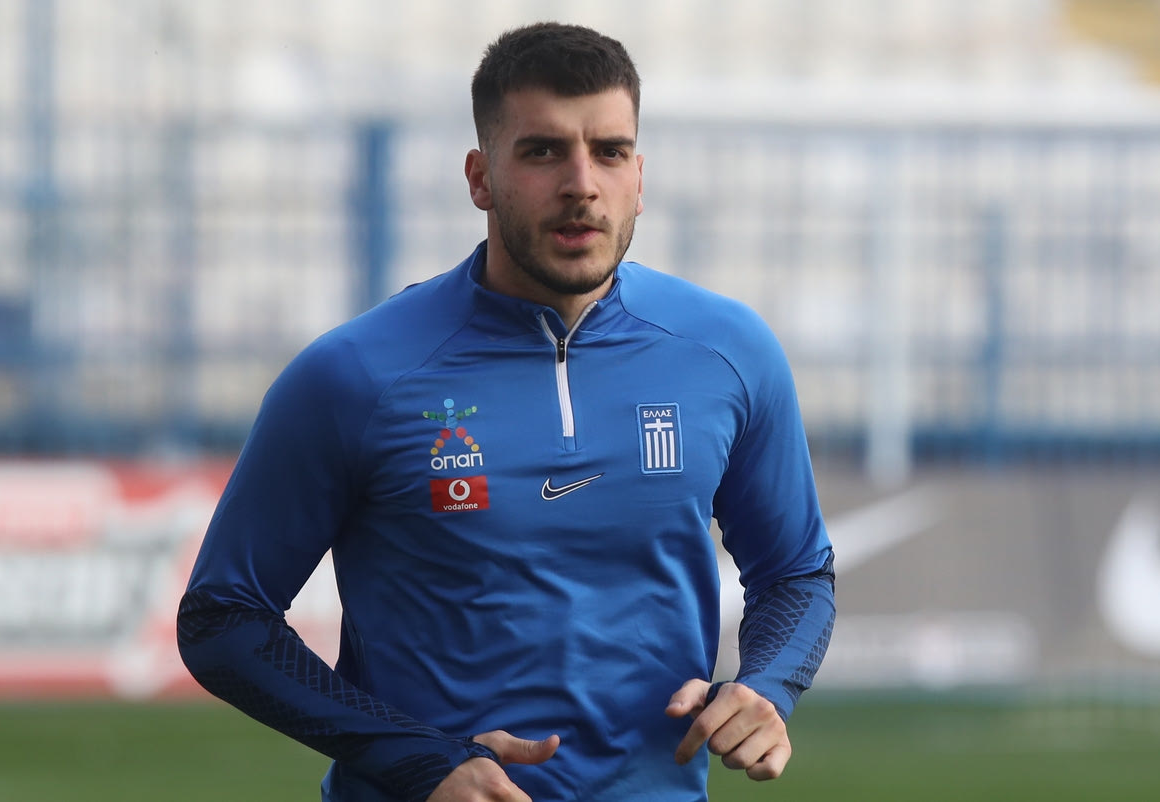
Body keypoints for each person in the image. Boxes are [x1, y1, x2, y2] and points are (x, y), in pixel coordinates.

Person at [177, 21, 835, 802]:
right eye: (543, 151)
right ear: (480, 177)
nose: (581, 184)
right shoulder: (354, 375)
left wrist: (766, 686)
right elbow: (223, 617)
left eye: (610, 151)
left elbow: (796, 571)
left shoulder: (729, 352)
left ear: (639, 176)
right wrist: (417, 759)